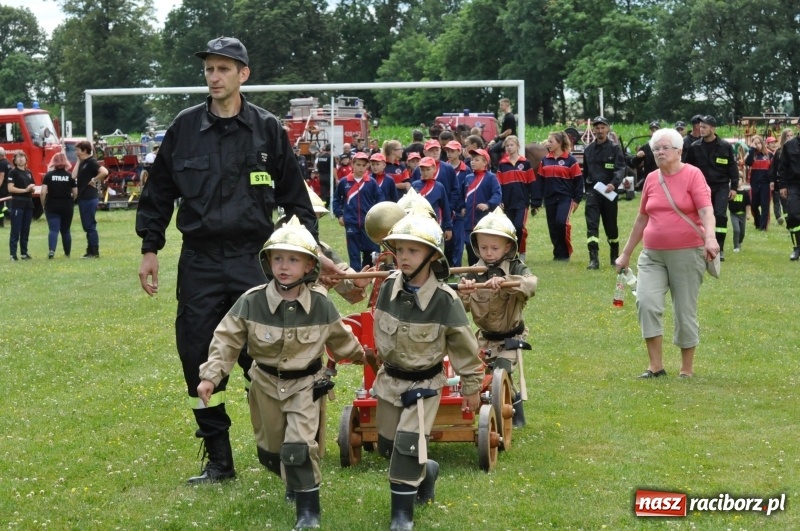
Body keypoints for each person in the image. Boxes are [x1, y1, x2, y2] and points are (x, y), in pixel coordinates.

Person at [136, 37, 328, 485]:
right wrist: (150, 248)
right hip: (200, 261)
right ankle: (219, 460)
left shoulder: (267, 129)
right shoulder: (184, 128)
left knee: (270, 354)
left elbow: (296, 200)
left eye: (224, 69)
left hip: (253, 261)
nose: (214, 76)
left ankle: (284, 450)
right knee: (197, 356)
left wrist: (308, 260)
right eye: (209, 69)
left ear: (243, 74)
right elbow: (158, 192)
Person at [198, 219, 368, 529]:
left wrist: (363, 356)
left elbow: (341, 339)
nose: (284, 266)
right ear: (267, 262)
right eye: (277, 258)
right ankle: (292, 477)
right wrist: (211, 376)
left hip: (305, 385)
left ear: (309, 266)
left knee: (298, 447)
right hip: (265, 385)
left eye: (293, 259)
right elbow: (226, 339)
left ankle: (308, 511)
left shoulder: (320, 304)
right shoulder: (251, 301)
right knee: (272, 452)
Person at [373, 211, 483, 531]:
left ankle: (401, 517)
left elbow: (464, 347)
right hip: (390, 381)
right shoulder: (388, 287)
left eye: (413, 250)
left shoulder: (445, 300)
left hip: (424, 385)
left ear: (432, 255)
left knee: (407, 447)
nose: (404, 257)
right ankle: (427, 469)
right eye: (400, 250)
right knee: (388, 446)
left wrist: (472, 387)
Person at [615, 128, 718, 379]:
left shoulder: (693, 175)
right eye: (656, 149)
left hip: (687, 253)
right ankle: (655, 366)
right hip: (652, 255)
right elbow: (642, 218)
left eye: (664, 148)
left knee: (684, 310)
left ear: (679, 151)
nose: (659, 152)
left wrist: (710, 238)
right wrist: (626, 253)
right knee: (646, 302)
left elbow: (706, 211)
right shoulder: (651, 178)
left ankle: (686, 369)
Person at [458, 208, 538, 427]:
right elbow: (460, 307)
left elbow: (531, 284)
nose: (489, 253)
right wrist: (464, 291)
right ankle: (487, 411)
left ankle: (514, 411)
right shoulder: (472, 272)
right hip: (484, 339)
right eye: (483, 248)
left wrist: (507, 281)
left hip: (511, 337)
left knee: (501, 370)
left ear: (508, 247)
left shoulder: (516, 267)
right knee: (477, 375)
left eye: (495, 248)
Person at [685, 115, 739, 260]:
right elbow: (686, 167)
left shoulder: (725, 146)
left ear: (713, 129)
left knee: (720, 216)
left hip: (721, 186)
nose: (701, 129)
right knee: (700, 216)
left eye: (704, 127)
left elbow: (733, 168)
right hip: (701, 187)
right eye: (700, 127)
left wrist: (734, 187)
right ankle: (701, 245)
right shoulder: (694, 147)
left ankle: (719, 248)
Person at [582, 116, 626, 269]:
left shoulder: (614, 148)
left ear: (608, 129)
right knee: (592, 225)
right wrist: (587, 190)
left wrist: (614, 183)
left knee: (611, 226)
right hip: (593, 193)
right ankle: (593, 259)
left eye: (603, 128)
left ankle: (614, 256)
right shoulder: (588, 150)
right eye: (597, 128)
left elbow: (621, 168)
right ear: (594, 130)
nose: (600, 131)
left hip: (609, 193)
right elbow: (586, 172)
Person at [535, 131, 584, 261]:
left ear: (560, 143)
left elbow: (579, 181)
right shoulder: (545, 160)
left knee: (561, 223)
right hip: (549, 198)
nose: (548, 143)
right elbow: (540, 181)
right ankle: (558, 254)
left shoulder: (570, 160)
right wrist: (537, 200)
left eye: (551, 141)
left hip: (565, 198)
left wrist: (577, 199)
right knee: (552, 227)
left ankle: (566, 252)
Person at [332, 151, 384, 271]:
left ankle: (371, 274)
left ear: (367, 166)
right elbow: (336, 199)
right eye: (358, 165)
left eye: (364, 165)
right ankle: (355, 275)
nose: (361, 168)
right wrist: (339, 215)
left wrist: (377, 217)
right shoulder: (344, 182)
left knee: (371, 252)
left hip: (368, 224)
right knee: (353, 253)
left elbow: (380, 199)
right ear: (352, 164)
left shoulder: (371, 182)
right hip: (351, 223)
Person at [496, 135, 536, 262]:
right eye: (507, 146)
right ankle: (511, 253)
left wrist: (535, 201)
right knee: (509, 229)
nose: (509, 147)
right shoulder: (502, 165)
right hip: (507, 203)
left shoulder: (525, 163)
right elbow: (499, 185)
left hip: (522, 202)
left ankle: (522, 251)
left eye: (511, 145)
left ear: (518, 146)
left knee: (519, 227)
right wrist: (500, 200)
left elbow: (532, 183)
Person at [463, 148, 502, 265]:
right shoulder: (468, 178)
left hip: (484, 220)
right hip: (469, 221)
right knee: (470, 246)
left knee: (483, 246)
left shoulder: (491, 178)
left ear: (485, 162)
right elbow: (461, 195)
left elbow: (497, 194)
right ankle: (472, 270)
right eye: (472, 160)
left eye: (476, 160)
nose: (472, 162)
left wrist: (488, 204)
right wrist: (462, 207)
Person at [72, 140, 108, 258]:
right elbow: (73, 176)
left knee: (90, 225)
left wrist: (94, 179)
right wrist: (78, 161)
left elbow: (104, 172)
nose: (76, 152)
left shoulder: (91, 162)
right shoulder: (83, 163)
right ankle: (90, 250)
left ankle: (94, 251)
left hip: (89, 197)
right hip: (83, 197)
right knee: (86, 225)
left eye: (78, 150)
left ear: (84, 150)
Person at [40, 152, 77, 259]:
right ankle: (67, 253)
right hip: (67, 206)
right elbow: (75, 192)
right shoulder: (70, 176)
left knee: (53, 229)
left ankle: (51, 251)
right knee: (66, 230)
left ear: (54, 162)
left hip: (52, 205)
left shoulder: (48, 175)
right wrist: (72, 201)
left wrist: (43, 204)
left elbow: (43, 192)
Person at [411, 156, 453, 241]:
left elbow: (445, 208)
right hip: (417, 224)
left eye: (428, 169)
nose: (425, 172)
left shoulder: (439, 187)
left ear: (434, 169)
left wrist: (448, 227)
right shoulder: (415, 185)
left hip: (434, 224)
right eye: (422, 170)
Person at [777, 120, 800, 260]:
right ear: (798, 126)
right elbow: (783, 167)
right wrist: (782, 185)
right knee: (792, 215)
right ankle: (797, 247)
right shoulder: (789, 145)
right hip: (794, 184)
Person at [7, 151, 36, 261]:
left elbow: (32, 186)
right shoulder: (13, 172)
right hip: (17, 203)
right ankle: (13, 254)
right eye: (18, 157)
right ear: (14, 160)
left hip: (28, 203)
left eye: (22, 157)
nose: (20, 159)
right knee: (16, 229)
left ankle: (24, 253)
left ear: (26, 159)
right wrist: (25, 190)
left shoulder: (28, 172)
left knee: (25, 229)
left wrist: (31, 189)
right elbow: (10, 188)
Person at [444, 140, 468, 267]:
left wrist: (464, 205)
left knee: (459, 240)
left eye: (452, 151)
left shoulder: (466, 170)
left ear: (459, 152)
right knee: (446, 240)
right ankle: (446, 266)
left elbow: (468, 190)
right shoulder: (443, 168)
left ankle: (457, 267)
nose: (449, 153)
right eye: (447, 151)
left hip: (459, 211)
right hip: (446, 209)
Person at [744, 135, 773, 231]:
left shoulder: (769, 154)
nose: (757, 145)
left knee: (765, 205)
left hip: (766, 183)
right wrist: (752, 149)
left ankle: (763, 227)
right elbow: (748, 163)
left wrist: (772, 180)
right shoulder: (751, 153)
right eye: (755, 143)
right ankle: (758, 222)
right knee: (753, 205)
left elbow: (773, 168)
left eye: (759, 143)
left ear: (762, 143)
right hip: (754, 183)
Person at [769, 129, 793, 227]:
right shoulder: (779, 152)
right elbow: (774, 168)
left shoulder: (796, 149)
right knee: (784, 202)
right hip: (782, 181)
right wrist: (772, 181)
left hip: (793, 180)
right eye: (788, 136)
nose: (790, 138)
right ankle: (788, 221)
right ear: (784, 137)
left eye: (791, 135)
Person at [488, 98, 517, 169]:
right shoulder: (505, 116)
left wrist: (498, 137)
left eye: (501, 105)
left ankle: (496, 169)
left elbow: (509, 131)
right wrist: (496, 124)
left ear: (506, 105)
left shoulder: (510, 117)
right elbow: (502, 132)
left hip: (508, 140)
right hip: (503, 139)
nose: (500, 106)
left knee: (492, 150)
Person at [729, 181, 751, 253]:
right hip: (734, 214)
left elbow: (748, 204)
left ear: (742, 181)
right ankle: (736, 246)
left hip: (743, 215)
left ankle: (739, 242)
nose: (738, 181)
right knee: (736, 230)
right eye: (737, 179)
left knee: (742, 232)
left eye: (739, 179)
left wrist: (748, 214)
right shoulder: (731, 192)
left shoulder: (745, 193)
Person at [0, 147, 11, 228]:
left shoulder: (1, 164)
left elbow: (1, 177)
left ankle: (10, 214)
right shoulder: (8, 162)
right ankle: (1, 223)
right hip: (8, 186)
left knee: (1, 206)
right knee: (1, 206)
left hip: (3, 187)